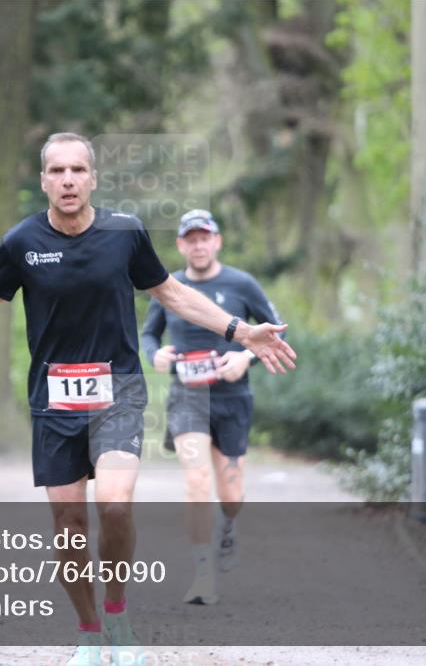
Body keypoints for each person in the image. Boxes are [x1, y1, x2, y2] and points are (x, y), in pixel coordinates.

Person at [0, 133, 296, 666]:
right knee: (69, 527)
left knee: (113, 504)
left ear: (92, 178)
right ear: (43, 180)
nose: (67, 180)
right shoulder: (21, 242)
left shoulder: (125, 234)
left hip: (118, 391)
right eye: (57, 171)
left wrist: (240, 332)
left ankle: (118, 616)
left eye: (77, 170)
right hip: (54, 401)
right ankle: (89, 634)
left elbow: (172, 294)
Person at [141, 209, 286, 606]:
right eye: (191, 238)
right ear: (181, 245)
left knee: (231, 494)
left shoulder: (242, 283)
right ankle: (203, 574)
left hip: (233, 398)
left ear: (217, 241)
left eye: (205, 237)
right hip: (188, 396)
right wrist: (156, 354)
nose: (199, 244)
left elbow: (275, 330)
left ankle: (228, 527)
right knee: (196, 479)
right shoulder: (170, 286)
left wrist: (245, 358)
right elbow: (149, 334)